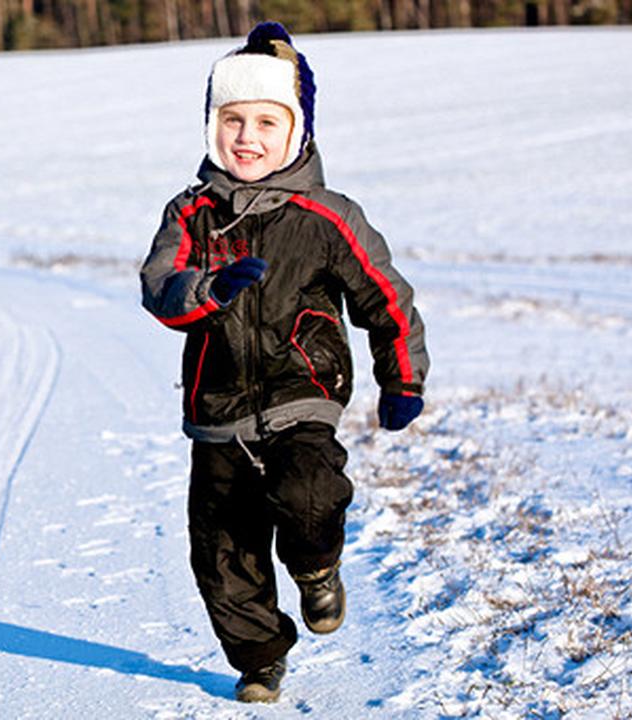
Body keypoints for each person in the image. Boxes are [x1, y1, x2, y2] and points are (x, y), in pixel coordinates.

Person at [139, 22, 430, 703]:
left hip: (303, 391)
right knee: (223, 552)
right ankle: (261, 656)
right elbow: (160, 286)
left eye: (267, 121)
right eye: (232, 120)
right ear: (211, 127)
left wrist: (402, 376)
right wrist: (208, 289)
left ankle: (316, 567)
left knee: (309, 494)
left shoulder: (327, 216)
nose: (247, 137)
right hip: (217, 410)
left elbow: (385, 298)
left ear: (297, 131)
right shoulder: (190, 213)